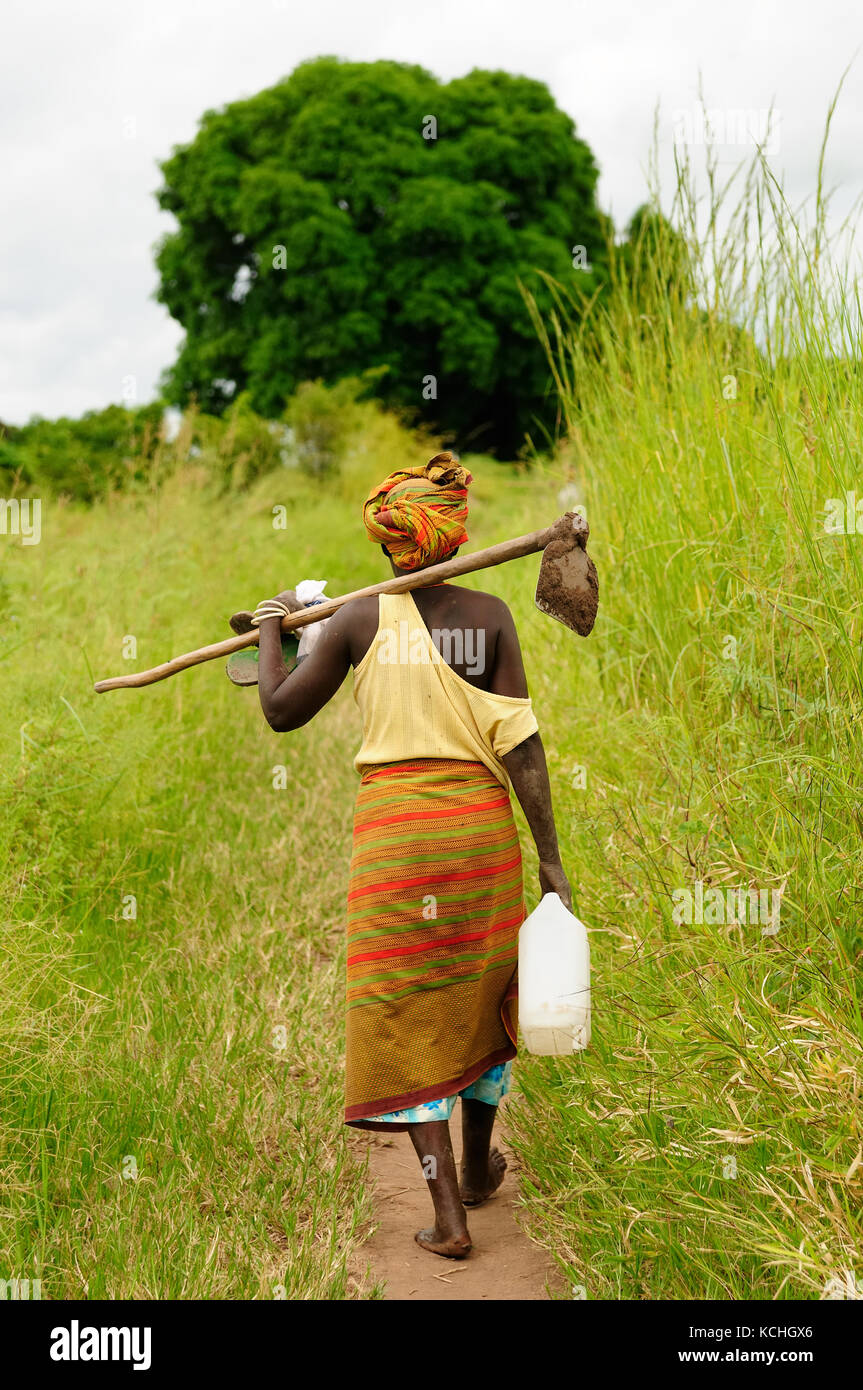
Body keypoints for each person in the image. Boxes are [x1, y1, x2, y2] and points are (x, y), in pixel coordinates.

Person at [253, 452, 571, 1259]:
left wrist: (269, 629)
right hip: (477, 836)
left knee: (405, 1006)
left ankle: (449, 1210)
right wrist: (550, 861)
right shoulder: (489, 618)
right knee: (481, 992)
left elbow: (282, 712)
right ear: (453, 535)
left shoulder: (358, 620)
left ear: (388, 542)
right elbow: (521, 746)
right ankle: (474, 1169)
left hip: (397, 840)